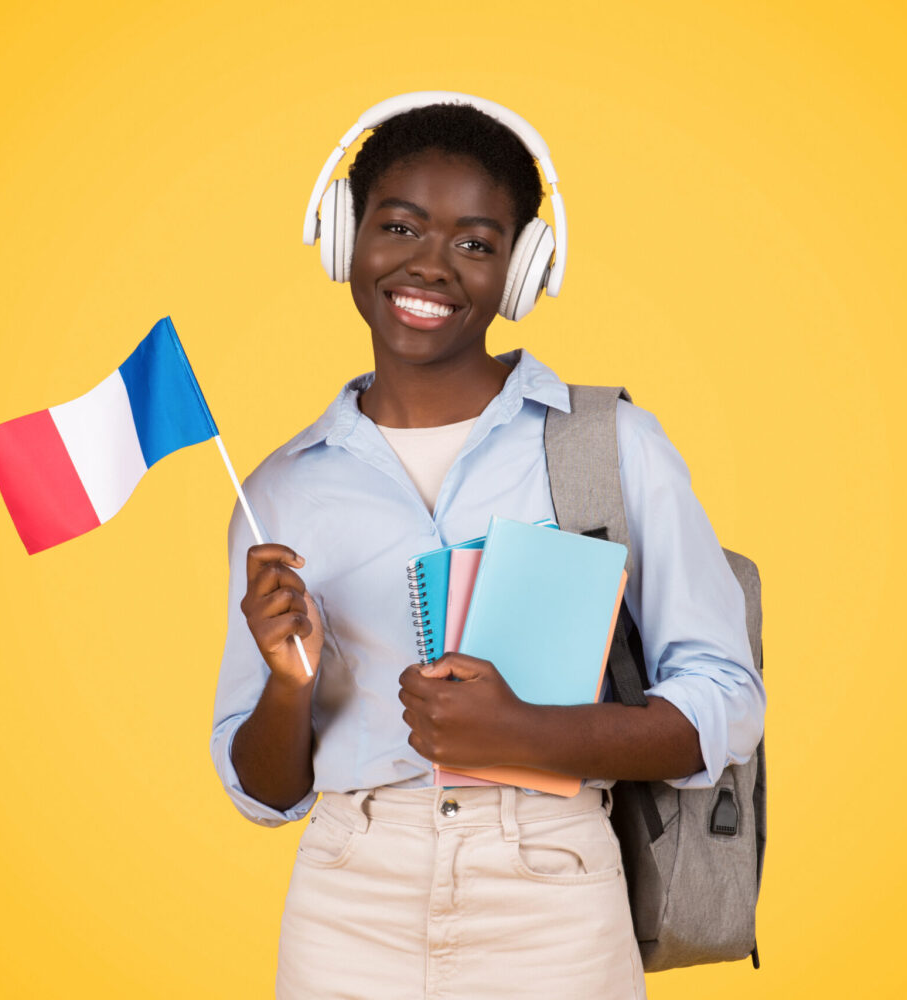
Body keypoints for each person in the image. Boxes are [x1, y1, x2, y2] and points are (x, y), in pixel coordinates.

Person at [210, 95, 765, 998]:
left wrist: (525, 733)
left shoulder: (610, 445)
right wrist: (289, 682)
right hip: (348, 895)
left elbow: (727, 700)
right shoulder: (280, 490)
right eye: (398, 225)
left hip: (552, 888)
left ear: (522, 270)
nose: (431, 265)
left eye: (475, 242)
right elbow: (266, 793)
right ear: (347, 236)